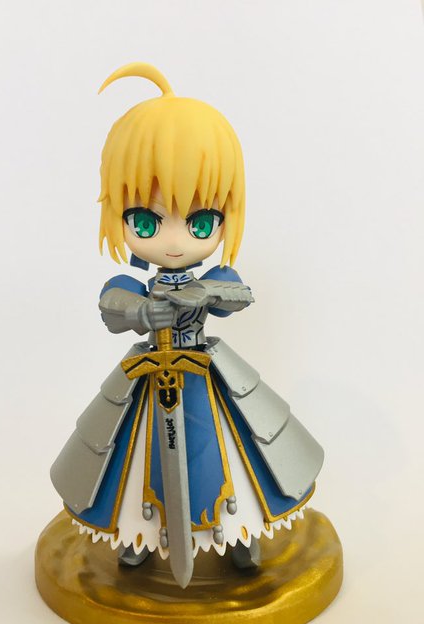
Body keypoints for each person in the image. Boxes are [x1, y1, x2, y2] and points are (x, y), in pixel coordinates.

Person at [50, 63, 324, 587]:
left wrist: (207, 294)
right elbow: (111, 303)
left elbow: (238, 294)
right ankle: (136, 538)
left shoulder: (211, 276)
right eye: (147, 221)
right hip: (150, 376)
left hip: (202, 372)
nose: (174, 241)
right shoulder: (136, 285)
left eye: (199, 222)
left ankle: (238, 535)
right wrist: (141, 313)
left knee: (229, 454)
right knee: (131, 457)